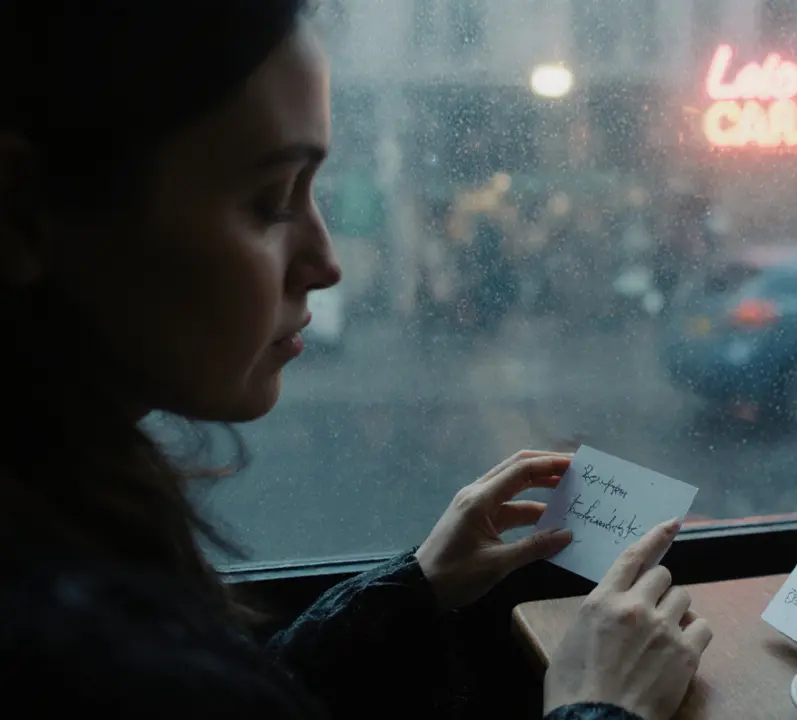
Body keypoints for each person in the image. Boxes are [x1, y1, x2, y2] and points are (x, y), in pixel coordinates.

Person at [0, 2, 712, 718]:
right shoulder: (71, 638)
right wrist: (598, 707)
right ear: (24, 215)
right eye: (272, 200)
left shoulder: (73, 537)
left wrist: (416, 588)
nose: (326, 262)